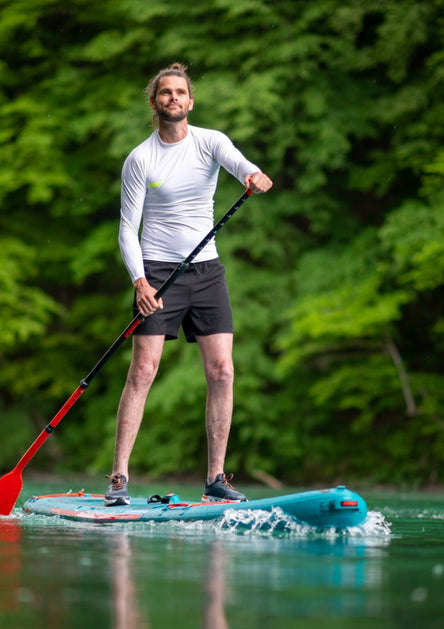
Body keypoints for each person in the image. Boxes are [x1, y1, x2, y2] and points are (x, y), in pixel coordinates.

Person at [105, 63, 273, 507]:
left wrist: (256, 177)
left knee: (223, 371)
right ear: (155, 102)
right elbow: (127, 228)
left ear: (190, 101)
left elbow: (244, 167)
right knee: (143, 371)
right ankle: (119, 477)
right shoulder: (141, 158)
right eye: (165, 93)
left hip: (207, 271)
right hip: (158, 273)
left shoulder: (211, 142)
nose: (173, 98)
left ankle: (216, 478)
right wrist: (139, 281)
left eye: (180, 92)